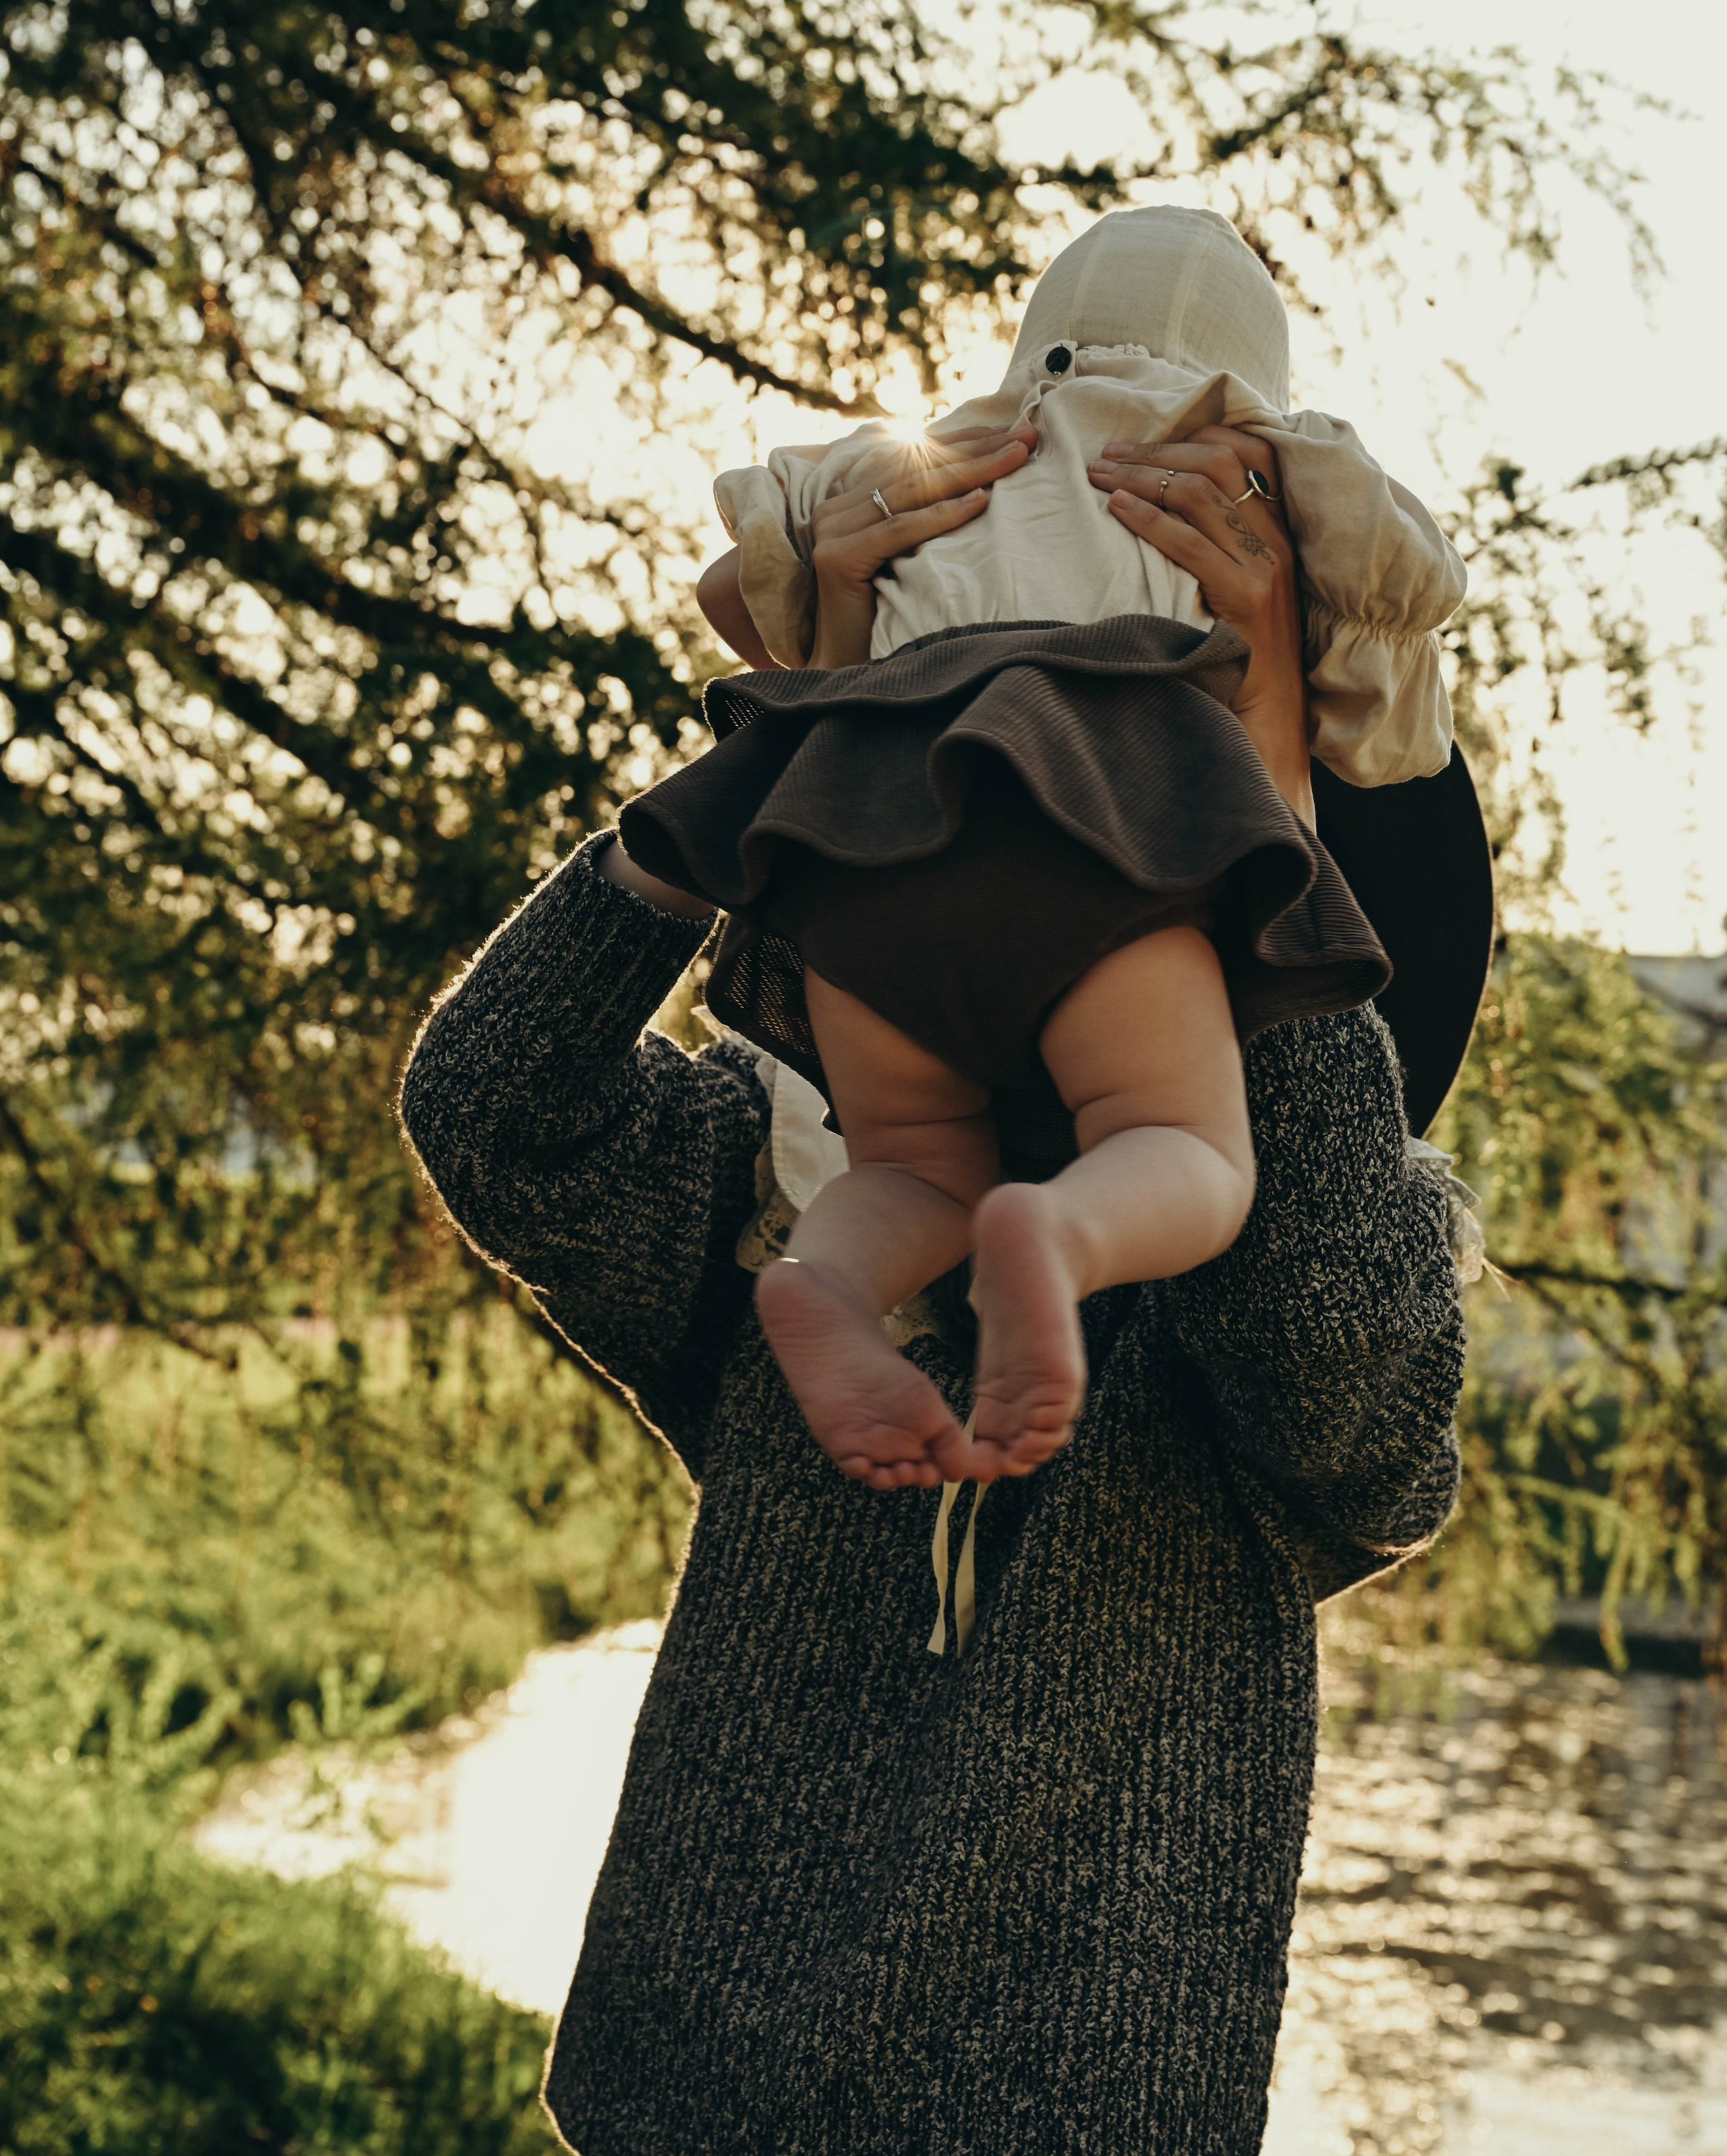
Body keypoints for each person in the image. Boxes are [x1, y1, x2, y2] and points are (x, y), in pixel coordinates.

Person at [397, 207, 1492, 2155]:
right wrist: (780, 768)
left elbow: (1351, 1377)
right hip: (690, 2116)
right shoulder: (770, 1189)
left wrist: (1252, 796)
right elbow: (494, 1101)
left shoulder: (1307, 1290)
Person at [616, 206, 1464, 1491]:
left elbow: (730, 593)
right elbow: (1401, 704)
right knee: (1185, 1147)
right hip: (1100, 831)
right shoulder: (1264, 469)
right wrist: (1290, 697)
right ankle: (1060, 1238)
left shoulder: (923, 462)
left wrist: (849, 630)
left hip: (850, 846)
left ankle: (832, 1286)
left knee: (909, 1164)